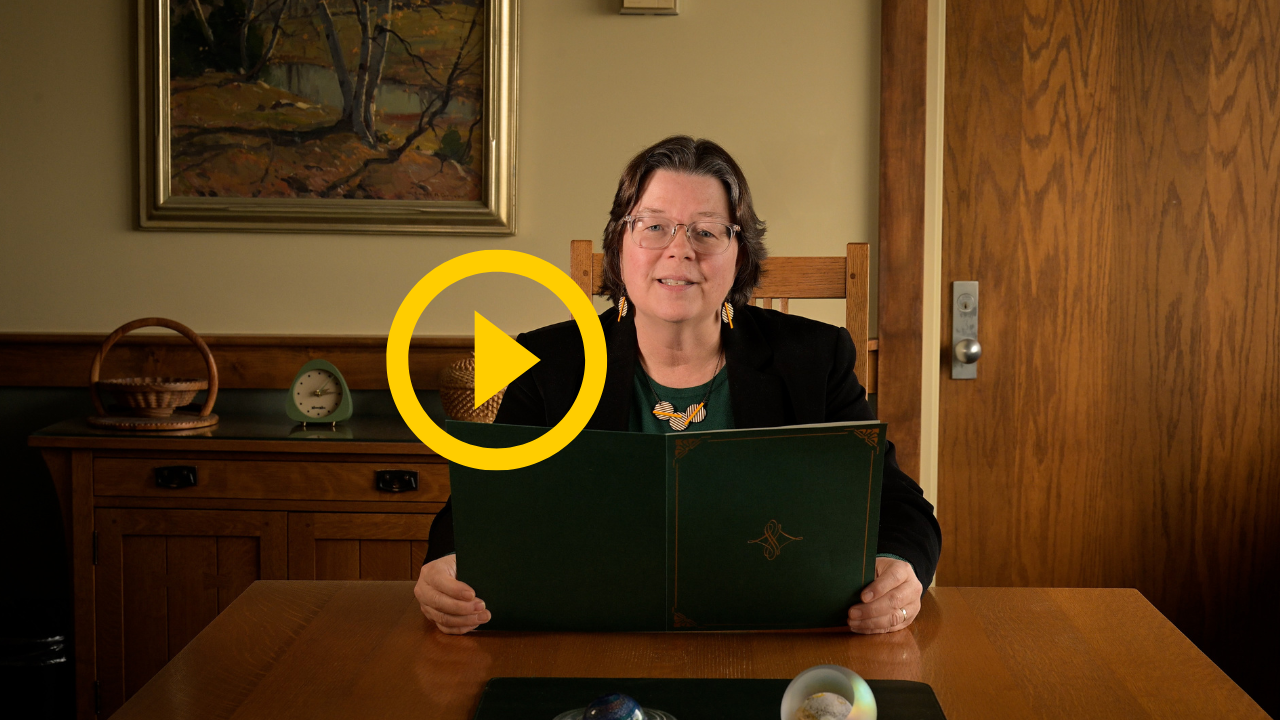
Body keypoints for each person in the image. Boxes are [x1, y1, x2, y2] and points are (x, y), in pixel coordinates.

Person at [414, 136, 942, 636]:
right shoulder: (549, 362)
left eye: (706, 231)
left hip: (772, 633)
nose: (680, 250)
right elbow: (478, 513)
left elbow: (898, 505)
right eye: (654, 226)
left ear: (740, 254)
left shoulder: (814, 359)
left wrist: (901, 569)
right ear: (620, 243)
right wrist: (445, 567)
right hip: (592, 638)